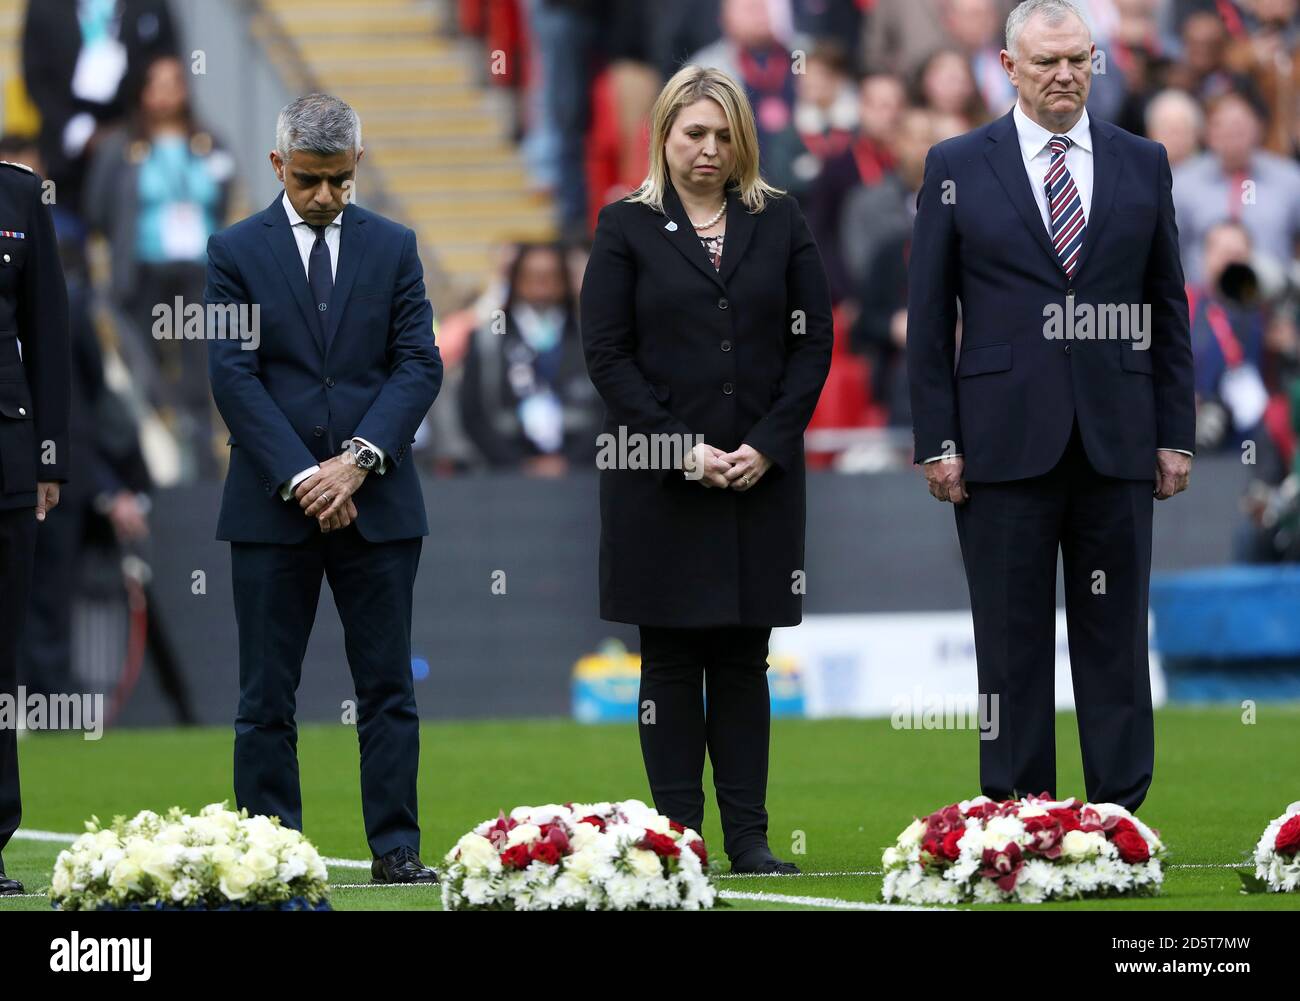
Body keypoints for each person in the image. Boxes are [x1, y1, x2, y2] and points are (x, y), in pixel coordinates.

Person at [907, 0, 1195, 813]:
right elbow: (930, 318)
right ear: (1007, 67)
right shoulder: (957, 162)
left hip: (1119, 440)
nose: (1066, 74)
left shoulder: (1144, 161)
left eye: (1079, 59)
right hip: (999, 444)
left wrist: (1176, 431)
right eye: (1047, 62)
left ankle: (1118, 817)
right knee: (1010, 646)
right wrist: (937, 439)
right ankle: (1019, 818)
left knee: (1114, 642)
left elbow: (1166, 305)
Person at [581, 65, 832, 873]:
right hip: (660, 484)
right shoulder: (625, 225)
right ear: (663, 136)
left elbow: (812, 342)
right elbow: (607, 355)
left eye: (724, 135)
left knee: (742, 660)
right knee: (670, 660)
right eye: (694, 133)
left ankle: (750, 839)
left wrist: (767, 442)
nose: (709, 149)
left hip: (759, 478)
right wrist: (678, 446)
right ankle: (676, 839)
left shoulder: (780, 218)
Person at [205, 94, 443, 883]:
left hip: (378, 501)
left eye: (340, 180)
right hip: (273, 507)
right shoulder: (234, 250)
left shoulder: (396, 246)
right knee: (265, 697)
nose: (326, 196)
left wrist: (359, 460)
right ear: (278, 166)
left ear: (357, 168)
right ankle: (271, 856)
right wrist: (307, 476)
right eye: (309, 180)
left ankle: (397, 850)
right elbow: (233, 377)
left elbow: (419, 363)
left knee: (387, 689)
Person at [0, 158, 71, 896]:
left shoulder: (20, 195)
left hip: (7, 463)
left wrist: (52, 455)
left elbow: (48, 330)